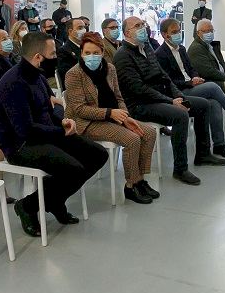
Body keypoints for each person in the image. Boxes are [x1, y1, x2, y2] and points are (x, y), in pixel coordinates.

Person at [0, 32, 107, 236]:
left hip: (45, 135)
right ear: (38, 57)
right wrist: (60, 129)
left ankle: (53, 200)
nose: (56, 57)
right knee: (74, 169)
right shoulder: (14, 83)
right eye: (53, 53)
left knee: (98, 154)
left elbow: (51, 108)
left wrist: (62, 121)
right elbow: (25, 130)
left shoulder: (37, 76)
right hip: (20, 145)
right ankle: (28, 206)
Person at [114, 16, 225, 186]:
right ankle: (180, 168)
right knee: (180, 115)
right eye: (137, 26)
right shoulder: (123, 55)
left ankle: (203, 154)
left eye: (143, 24)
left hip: (161, 98)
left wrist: (178, 96)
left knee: (203, 105)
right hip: (139, 105)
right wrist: (170, 101)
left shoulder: (147, 48)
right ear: (126, 33)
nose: (143, 28)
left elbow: (164, 77)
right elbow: (139, 89)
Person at [65, 32, 158, 204]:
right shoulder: (74, 74)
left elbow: (118, 97)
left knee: (149, 133)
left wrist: (124, 117)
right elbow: (79, 109)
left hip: (113, 116)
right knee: (132, 139)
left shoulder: (110, 69)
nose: (91, 56)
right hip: (87, 122)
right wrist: (110, 113)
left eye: (96, 52)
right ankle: (130, 186)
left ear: (102, 52)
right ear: (81, 53)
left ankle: (140, 180)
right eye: (87, 53)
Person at [155, 18, 225, 151]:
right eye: (174, 32)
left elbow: (191, 68)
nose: (178, 34)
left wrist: (195, 77)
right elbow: (168, 81)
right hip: (179, 92)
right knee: (213, 87)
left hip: (193, 85)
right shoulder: (160, 54)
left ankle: (219, 145)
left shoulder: (182, 49)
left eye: (179, 31)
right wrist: (189, 82)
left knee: (214, 102)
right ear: (164, 34)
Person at [56, 16, 88, 89]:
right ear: (70, 31)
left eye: (84, 27)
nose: (84, 30)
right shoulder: (63, 51)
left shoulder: (86, 46)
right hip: (77, 87)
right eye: (80, 28)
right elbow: (67, 74)